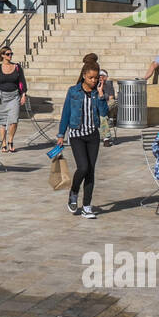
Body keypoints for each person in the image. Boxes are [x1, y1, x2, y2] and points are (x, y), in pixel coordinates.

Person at [57, 61, 108, 218]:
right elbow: (66, 112)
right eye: (91, 78)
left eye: (96, 78)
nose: (93, 81)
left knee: (91, 170)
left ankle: (87, 206)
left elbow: (104, 113)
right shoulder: (73, 91)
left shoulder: (97, 93)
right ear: (84, 75)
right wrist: (61, 134)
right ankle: (74, 192)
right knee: (83, 167)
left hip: (93, 135)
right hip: (77, 135)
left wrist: (100, 95)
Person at [0, 44, 27, 152]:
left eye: (11, 54)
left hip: (14, 96)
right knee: (3, 122)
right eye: (8, 54)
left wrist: (23, 95)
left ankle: (10, 141)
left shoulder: (17, 67)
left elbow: (22, 82)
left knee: (14, 120)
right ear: (2, 55)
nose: (10, 56)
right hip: (1, 97)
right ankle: (3, 143)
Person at [97, 70, 117, 146]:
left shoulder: (109, 86)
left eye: (102, 76)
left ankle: (106, 138)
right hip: (97, 106)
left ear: (106, 77)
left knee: (103, 115)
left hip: (105, 106)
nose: (100, 77)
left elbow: (111, 98)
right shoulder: (94, 85)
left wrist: (101, 93)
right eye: (99, 75)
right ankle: (106, 138)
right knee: (103, 116)